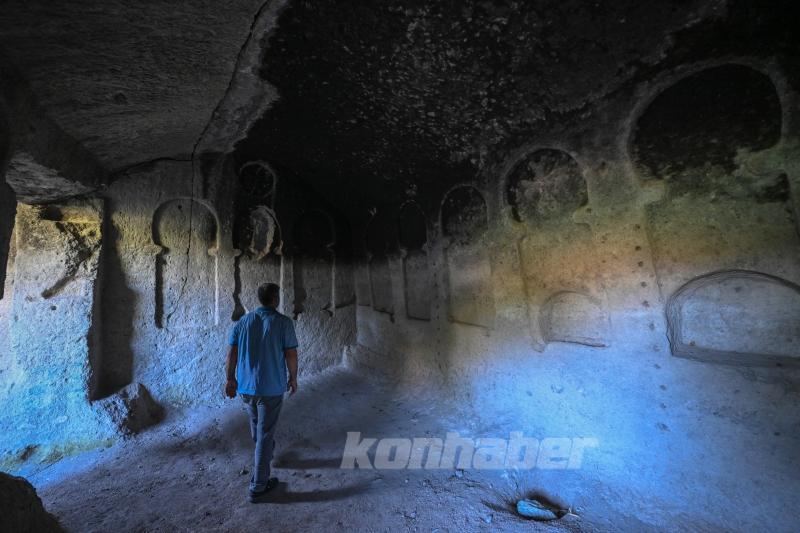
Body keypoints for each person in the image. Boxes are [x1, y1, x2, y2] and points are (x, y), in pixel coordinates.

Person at [225, 282, 299, 502]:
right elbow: (291, 355)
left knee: (258, 427)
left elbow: (231, 354)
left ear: (259, 299)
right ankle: (258, 486)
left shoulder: (243, 322)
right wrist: (293, 378)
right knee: (265, 433)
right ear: (275, 298)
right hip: (271, 388)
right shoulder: (283, 323)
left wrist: (230, 379)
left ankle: (265, 456)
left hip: (246, 387)